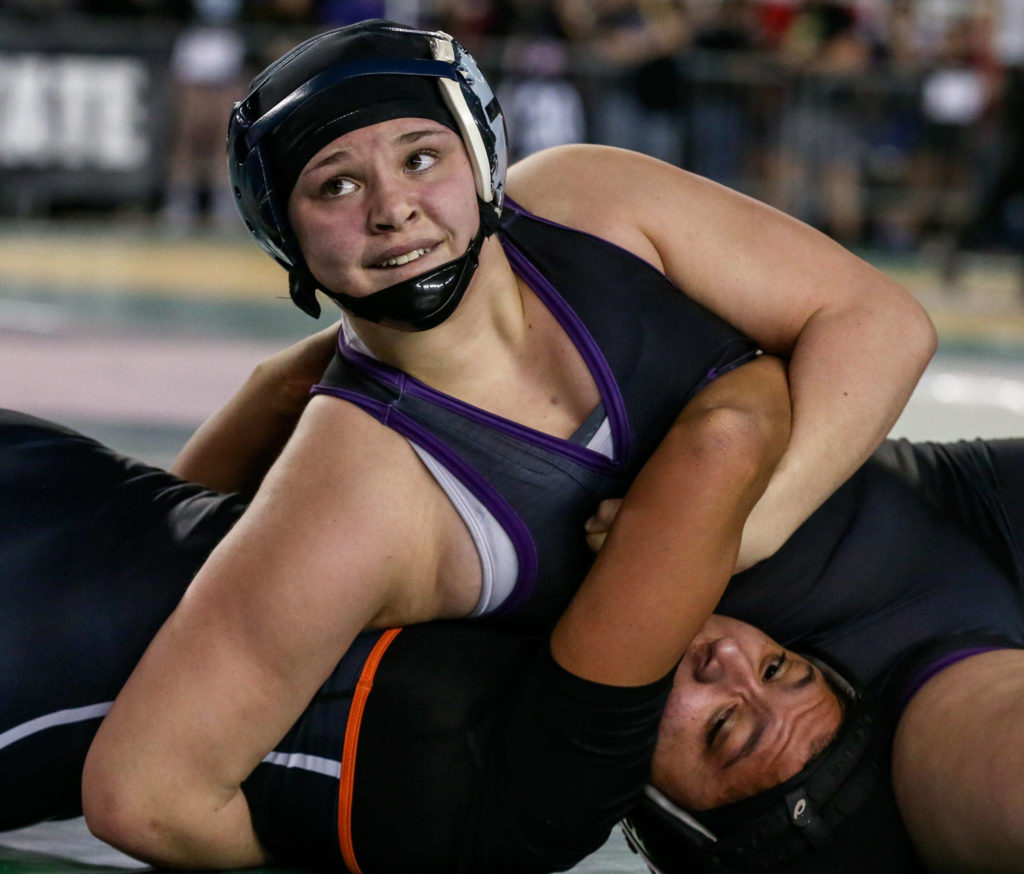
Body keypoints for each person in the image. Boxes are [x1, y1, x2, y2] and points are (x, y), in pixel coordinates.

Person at [80, 17, 934, 871]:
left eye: (421, 157)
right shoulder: (358, 488)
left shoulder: (588, 203)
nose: (394, 209)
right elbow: (147, 797)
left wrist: (741, 535)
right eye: (335, 186)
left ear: (482, 160)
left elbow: (884, 324)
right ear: (283, 235)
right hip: (736, 725)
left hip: (910, 543)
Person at [6, 348, 794, 868]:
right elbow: (268, 419)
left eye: (723, 724)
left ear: (677, 825)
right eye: (776, 664)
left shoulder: (572, 780)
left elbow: (728, 428)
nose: (725, 664)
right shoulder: (549, 612)